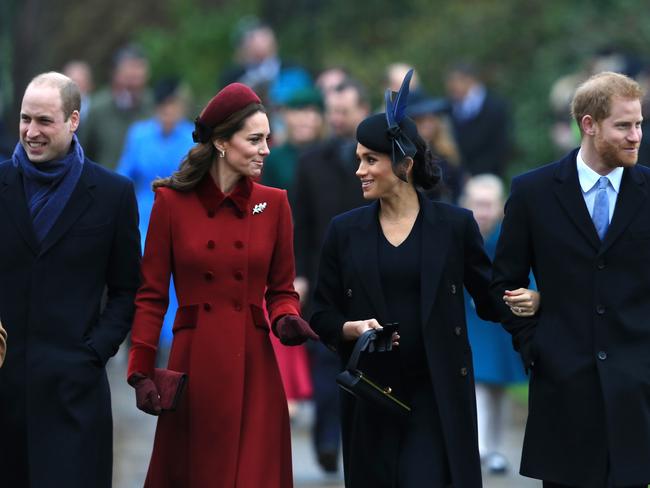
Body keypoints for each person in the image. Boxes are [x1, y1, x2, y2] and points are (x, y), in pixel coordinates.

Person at [310, 70, 537, 488]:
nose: (359, 169)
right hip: (372, 391)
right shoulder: (344, 231)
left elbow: (489, 298)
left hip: (438, 392)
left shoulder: (453, 226)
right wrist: (352, 328)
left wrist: (531, 304)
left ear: (404, 164)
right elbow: (321, 312)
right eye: (358, 158)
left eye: (370, 159)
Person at [127, 82, 318, 488]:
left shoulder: (275, 204)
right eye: (254, 139)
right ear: (220, 142)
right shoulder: (170, 204)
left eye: (268, 138)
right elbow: (151, 295)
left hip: (253, 363)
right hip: (193, 366)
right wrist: (141, 369)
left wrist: (286, 317)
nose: (267, 148)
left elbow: (281, 289)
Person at [491, 71, 650, 487]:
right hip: (562, 392)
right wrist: (535, 347)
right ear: (589, 125)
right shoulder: (532, 191)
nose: (636, 136)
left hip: (637, 394)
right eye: (623, 126)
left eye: (639, 124)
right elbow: (501, 284)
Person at [0, 72, 141, 487]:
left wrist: (94, 351)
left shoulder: (113, 194)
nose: (31, 132)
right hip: (5, 392)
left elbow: (127, 289)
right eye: (26, 119)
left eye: (44, 121)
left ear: (74, 120)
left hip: (73, 394)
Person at [292, 77, 370, 473]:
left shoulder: (377, 162)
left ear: (362, 111)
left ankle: (361, 441)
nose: (337, 119)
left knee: (365, 362)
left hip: (370, 275)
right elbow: (301, 226)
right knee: (324, 361)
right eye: (332, 112)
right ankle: (326, 437)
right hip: (325, 278)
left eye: (344, 111)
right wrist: (301, 275)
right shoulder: (311, 162)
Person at [460, 174, 533, 475]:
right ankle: (477, 446)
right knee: (477, 383)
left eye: (489, 204)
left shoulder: (508, 233)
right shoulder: (458, 230)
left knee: (498, 387)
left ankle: (495, 449)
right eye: (478, 204)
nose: (484, 211)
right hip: (468, 317)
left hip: (500, 322)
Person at [117, 78, 194, 353]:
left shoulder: (191, 136)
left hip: (181, 218)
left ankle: (174, 344)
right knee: (144, 280)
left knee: (176, 282)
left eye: (174, 107)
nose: (169, 113)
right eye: (164, 107)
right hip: (143, 218)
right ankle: (141, 341)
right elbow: (123, 175)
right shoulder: (139, 134)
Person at [80, 44, 154, 170]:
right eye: (129, 76)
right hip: (105, 184)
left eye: (138, 75)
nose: (133, 81)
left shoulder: (154, 107)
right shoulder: (97, 108)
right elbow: (82, 153)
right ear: (115, 74)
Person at [445, 63, 511, 178]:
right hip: (458, 177)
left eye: (455, 81)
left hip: (488, 175)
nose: (452, 87)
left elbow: (500, 147)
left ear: (470, 80)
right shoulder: (449, 107)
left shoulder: (495, 107)